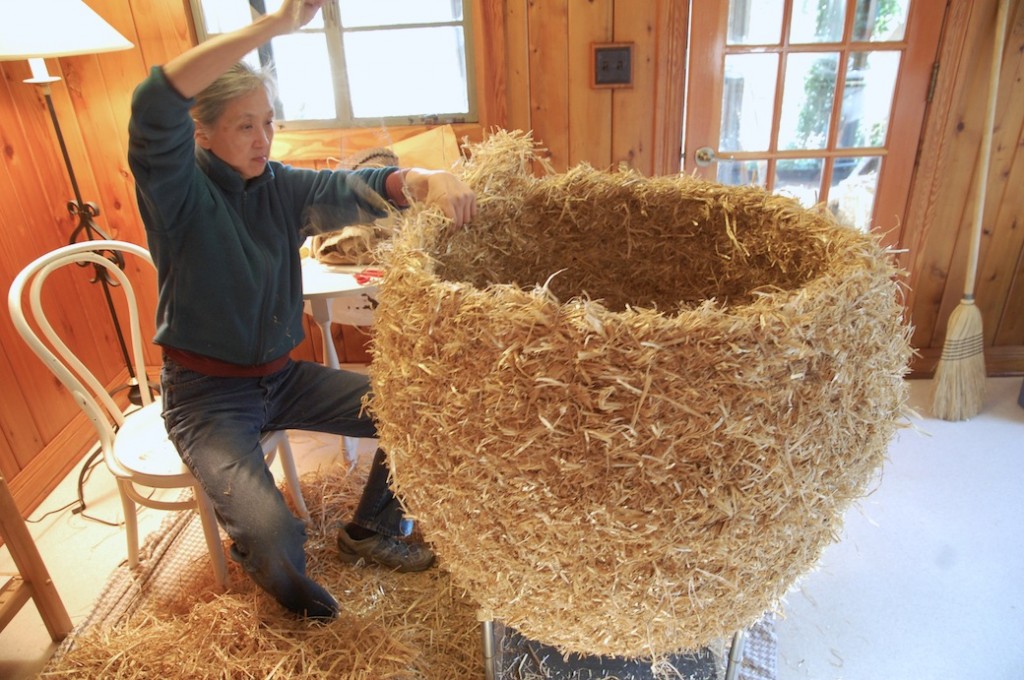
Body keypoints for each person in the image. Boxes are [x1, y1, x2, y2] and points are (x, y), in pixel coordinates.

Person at [127, 0, 476, 620]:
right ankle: (311, 614)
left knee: (417, 408)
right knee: (273, 538)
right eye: (243, 125)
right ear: (200, 132)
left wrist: (420, 178)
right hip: (206, 396)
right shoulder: (177, 193)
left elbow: (345, 189)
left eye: (267, 122)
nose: (262, 139)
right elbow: (155, 105)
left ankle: (370, 529)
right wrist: (271, 27)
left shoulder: (278, 185)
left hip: (282, 378)